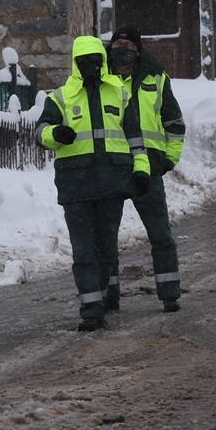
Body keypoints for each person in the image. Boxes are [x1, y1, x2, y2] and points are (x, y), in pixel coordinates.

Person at [37, 36, 150, 331]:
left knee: (107, 247)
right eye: (85, 61)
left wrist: (141, 171)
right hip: (76, 185)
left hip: (111, 183)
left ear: (102, 61)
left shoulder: (119, 94)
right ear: (75, 63)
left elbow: (136, 140)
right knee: (84, 249)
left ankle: (99, 295)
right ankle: (91, 308)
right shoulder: (60, 97)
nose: (92, 66)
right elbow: (40, 132)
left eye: (97, 60)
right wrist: (55, 134)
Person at [105, 26, 186, 313]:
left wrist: (169, 159)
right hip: (113, 167)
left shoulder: (156, 77)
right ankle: (108, 294)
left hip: (149, 169)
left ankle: (169, 292)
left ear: (138, 50)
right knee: (106, 236)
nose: (121, 48)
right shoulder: (99, 77)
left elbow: (174, 124)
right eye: (117, 43)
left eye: (127, 44)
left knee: (160, 234)